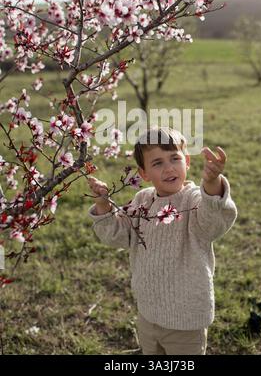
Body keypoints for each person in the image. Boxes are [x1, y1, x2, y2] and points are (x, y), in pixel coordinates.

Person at [87, 126, 237, 355]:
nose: (168, 168)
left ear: (187, 161)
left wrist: (212, 183)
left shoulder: (194, 200)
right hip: (148, 314)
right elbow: (117, 235)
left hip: (186, 321)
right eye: (157, 163)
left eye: (174, 158)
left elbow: (212, 225)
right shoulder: (142, 200)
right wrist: (103, 205)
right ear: (144, 173)